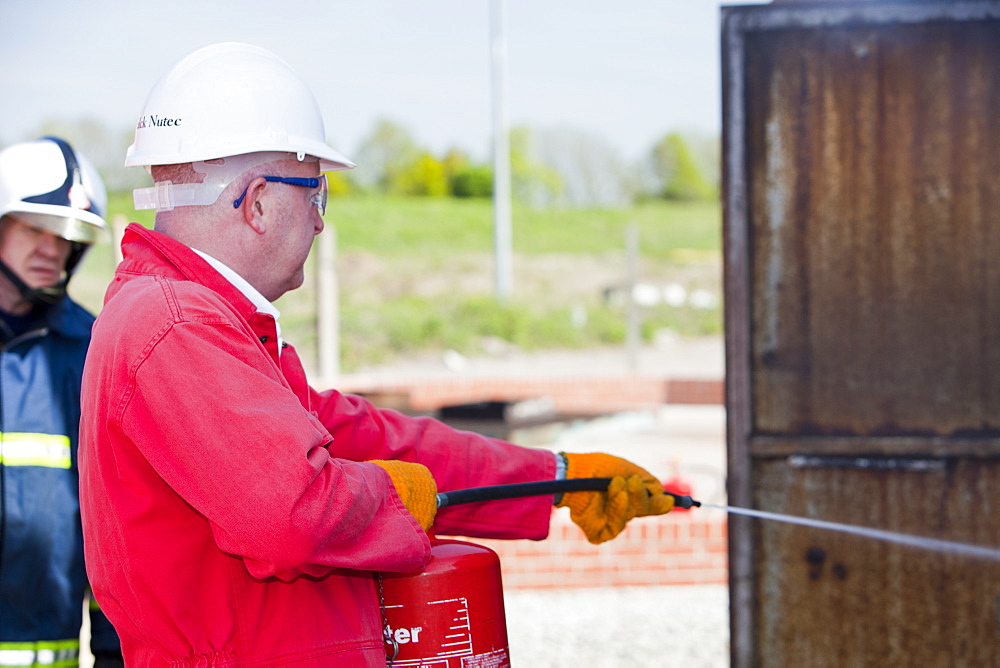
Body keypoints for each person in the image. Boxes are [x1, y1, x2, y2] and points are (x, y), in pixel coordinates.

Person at [79, 42, 673, 667]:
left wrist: (555, 476)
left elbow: (372, 442)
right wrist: (394, 497)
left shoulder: (202, 322)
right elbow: (295, 513)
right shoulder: (177, 327)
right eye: (315, 194)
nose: (318, 223)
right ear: (255, 202)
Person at [0, 137, 123, 667]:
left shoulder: (94, 352)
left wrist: (117, 655)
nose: (53, 248)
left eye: (66, 235)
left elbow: (116, 529)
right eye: (34, 228)